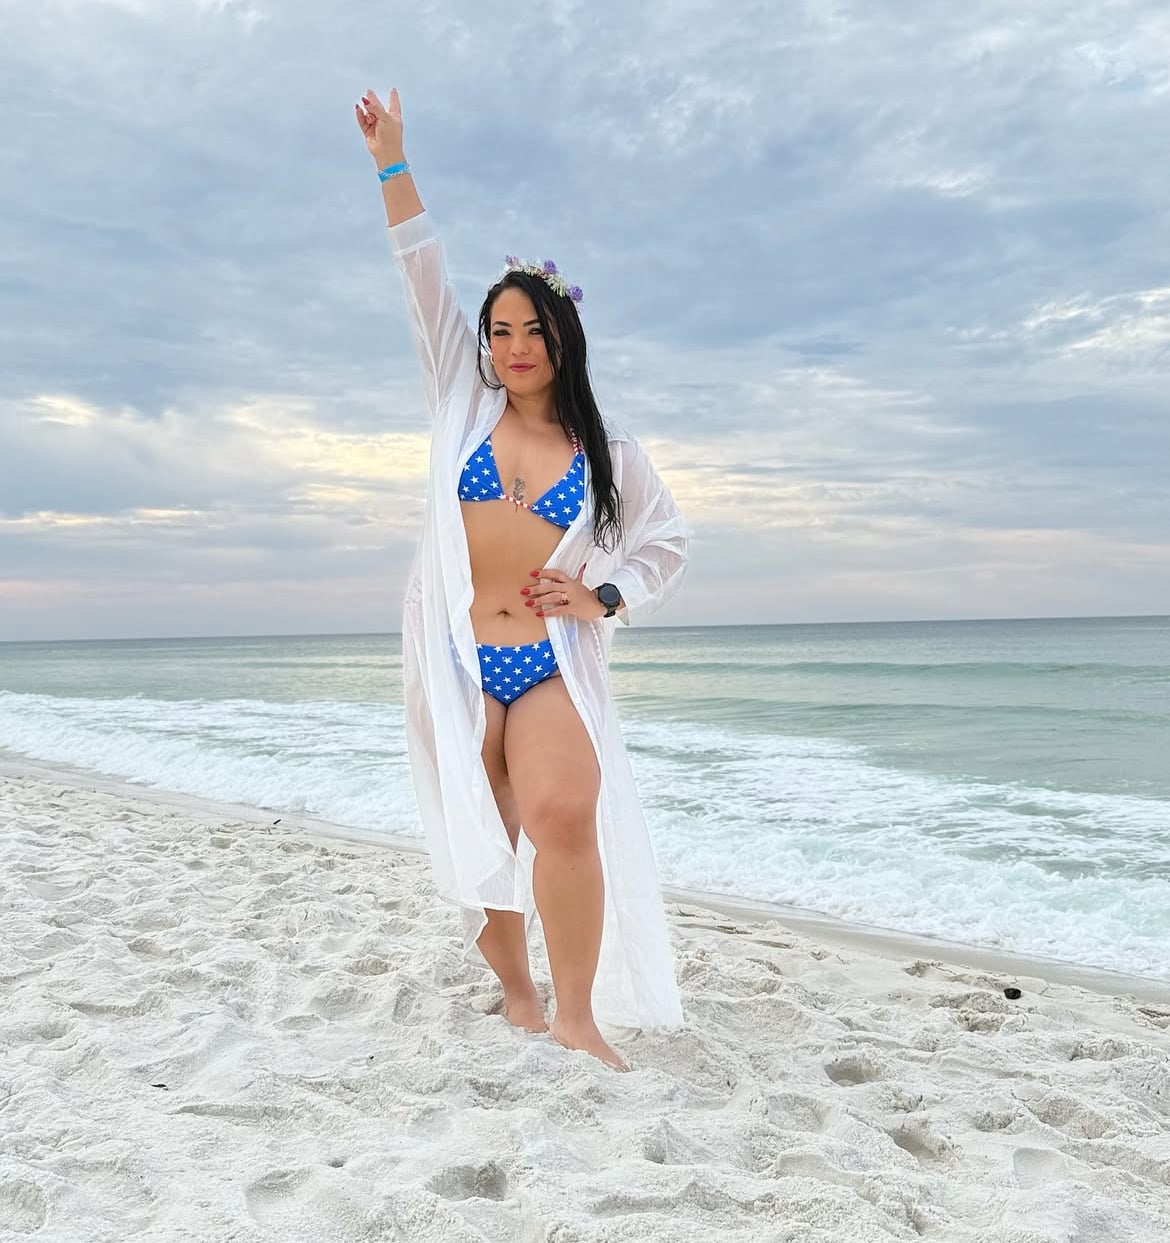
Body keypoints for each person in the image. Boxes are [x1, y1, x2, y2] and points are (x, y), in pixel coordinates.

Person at [355, 87, 690, 1071]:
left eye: (533, 330)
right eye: (499, 331)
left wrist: (604, 595)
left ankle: (577, 1013)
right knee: (486, 833)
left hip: (546, 660)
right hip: (456, 656)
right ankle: (519, 991)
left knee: (565, 812)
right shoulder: (460, 404)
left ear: (562, 337)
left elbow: (666, 541)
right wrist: (391, 159)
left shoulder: (607, 450)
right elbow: (420, 272)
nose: (514, 348)